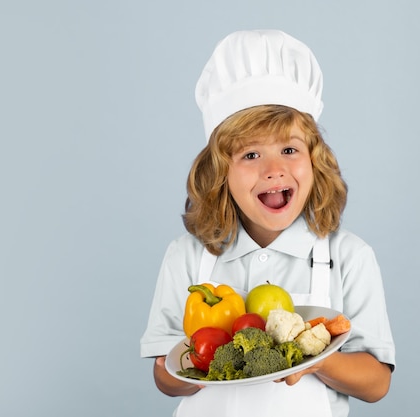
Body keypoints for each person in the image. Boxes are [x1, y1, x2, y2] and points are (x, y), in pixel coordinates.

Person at [140, 29, 395, 417]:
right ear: (219, 173)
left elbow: (377, 383)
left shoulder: (349, 256)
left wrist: (316, 357)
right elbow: (165, 377)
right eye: (251, 154)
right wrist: (189, 364)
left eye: (289, 150)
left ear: (315, 162)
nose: (274, 170)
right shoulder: (188, 256)